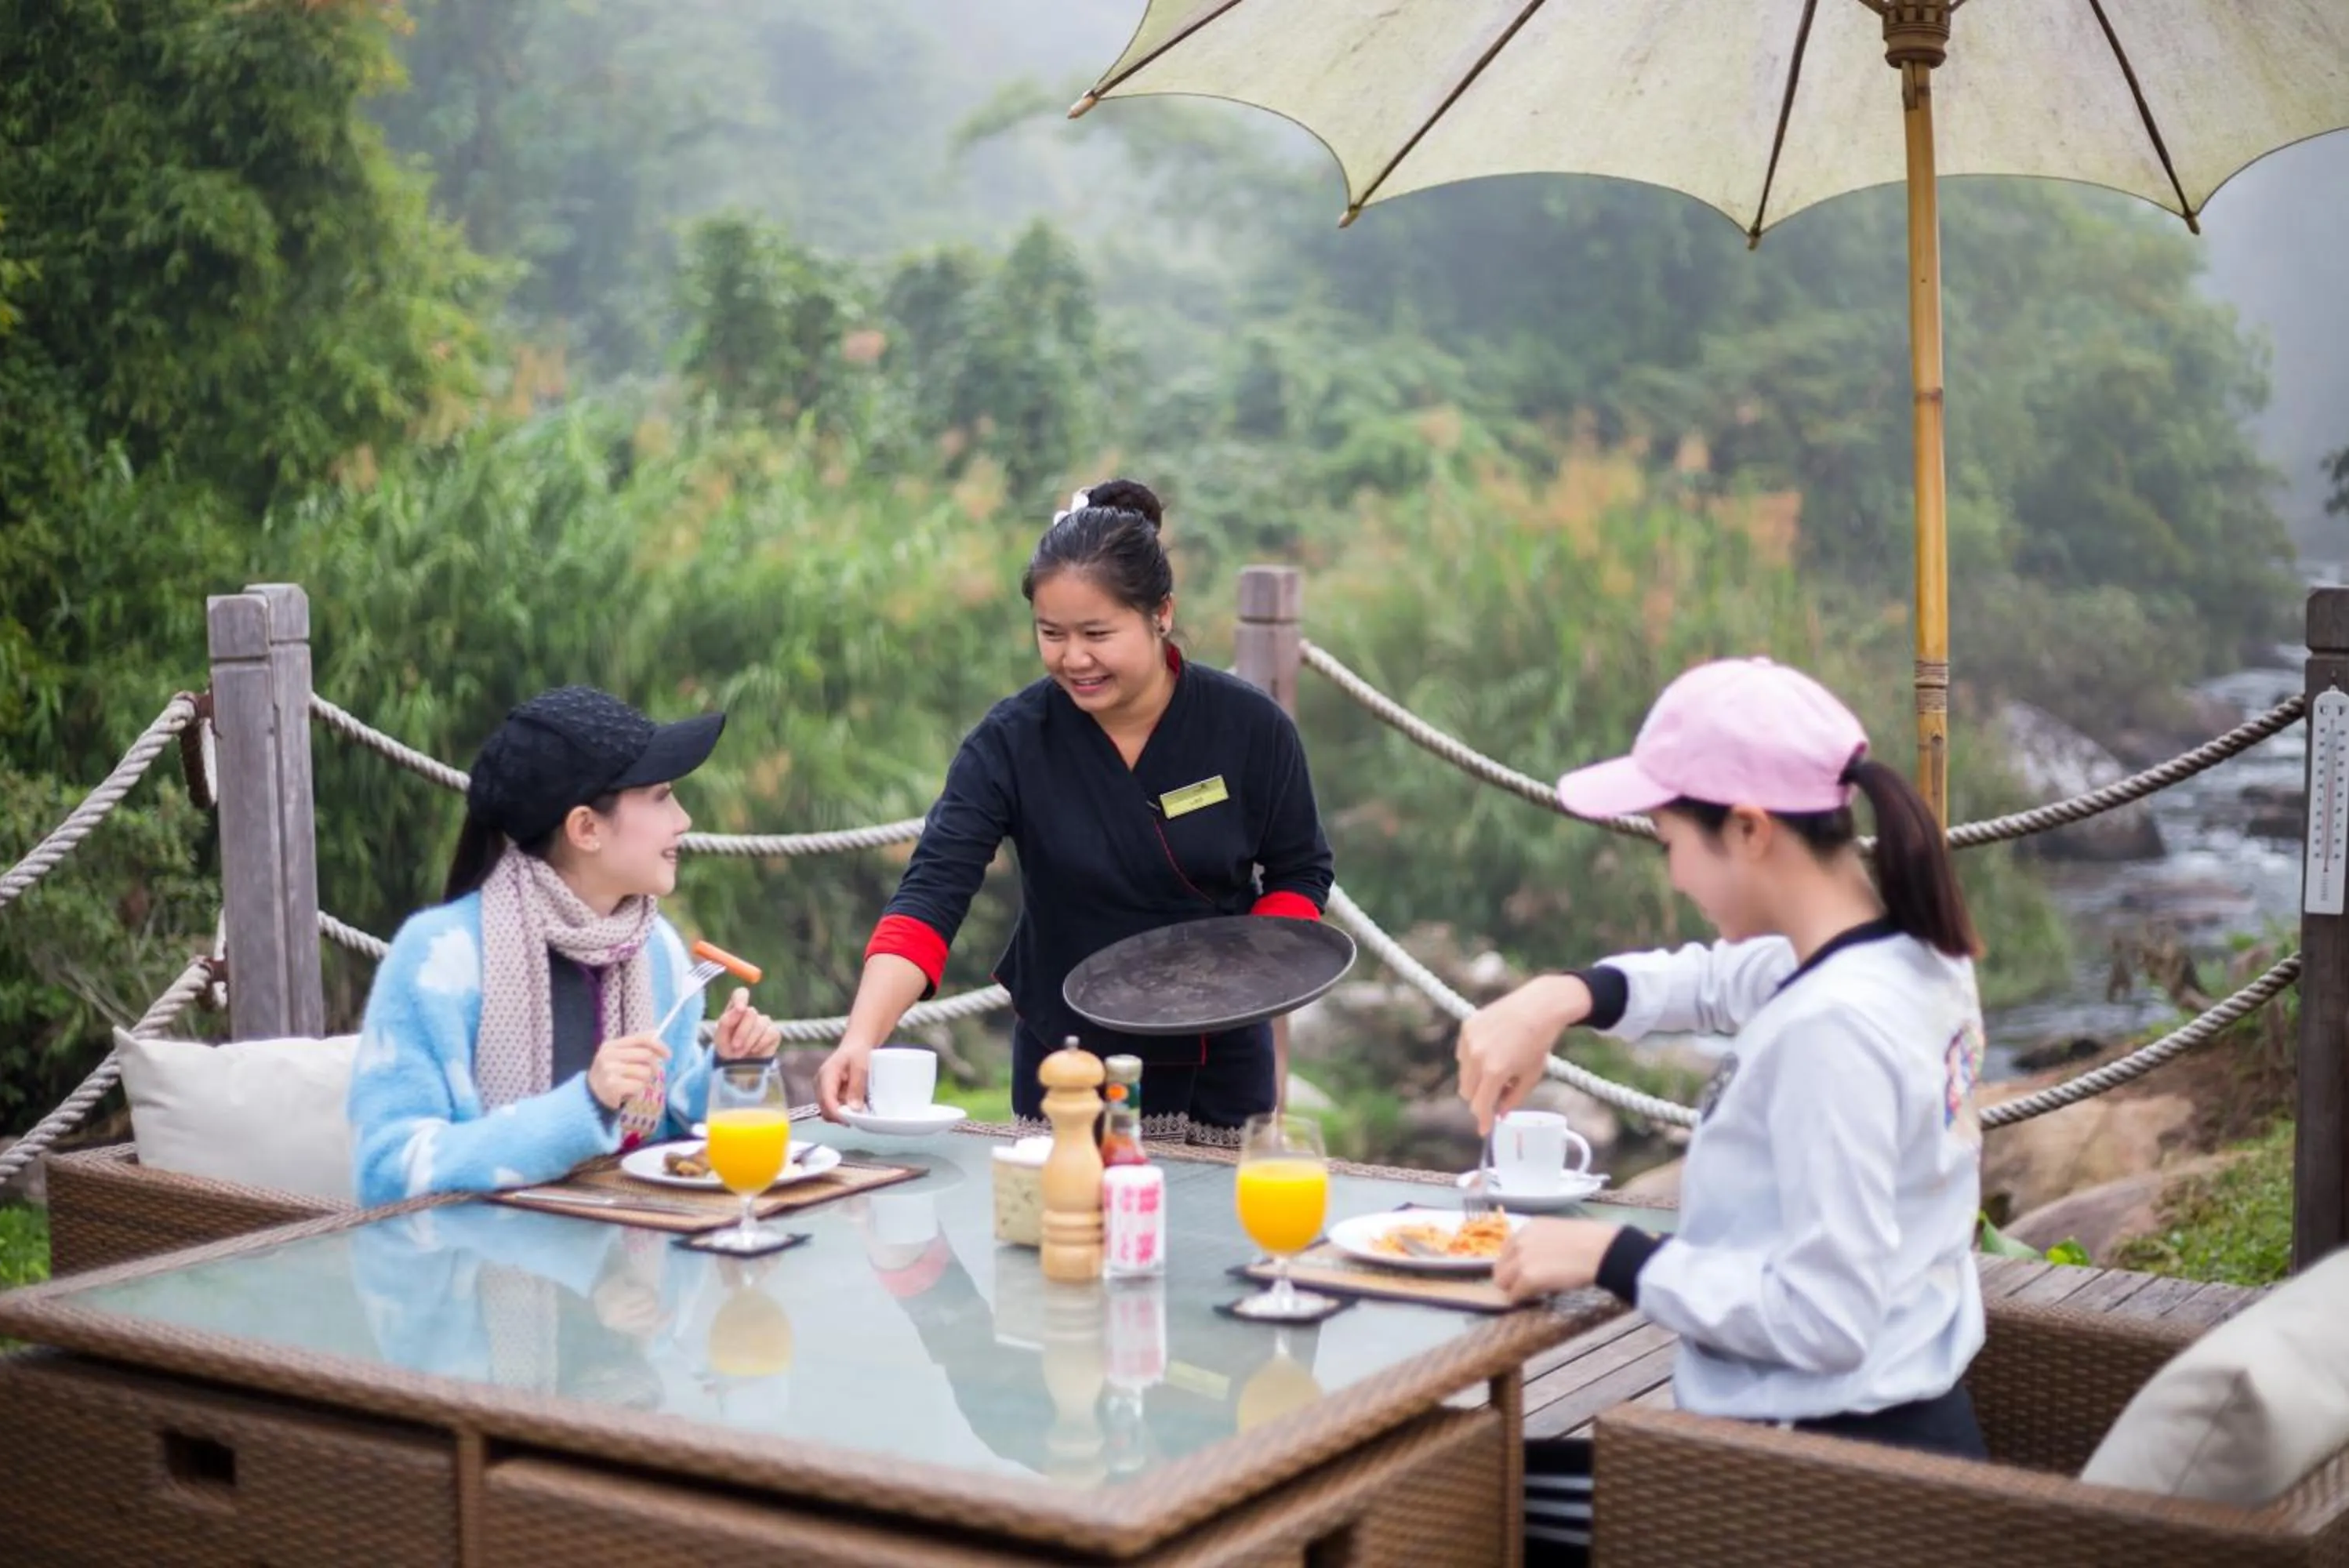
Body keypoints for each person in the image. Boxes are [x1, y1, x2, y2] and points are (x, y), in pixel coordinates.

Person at [1453, 658, 1990, 1565]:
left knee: (1448, 1504)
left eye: (1669, 840)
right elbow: (1712, 978)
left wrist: (1613, 1253)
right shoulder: (1905, 954)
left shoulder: (1836, 1028)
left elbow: (1826, 1315)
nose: (1672, 873)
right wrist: (1560, 996)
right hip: (1890, 1443)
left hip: (1818, 1488)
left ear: (1747, 828)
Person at [815, 480, 1334, 1144]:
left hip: (1220, 1058)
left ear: (1162, 613)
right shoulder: (1010, 741)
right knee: (1063, 1239)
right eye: (1051, 634)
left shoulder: (1249, 727)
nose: (1074, 658)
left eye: (1097, 633)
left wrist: (1255, 968)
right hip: (1065, 1064)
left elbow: (1300, 871)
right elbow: (931, 895)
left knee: (1217, 1243)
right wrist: (861, 1037)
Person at [350, 686, 782, 1207]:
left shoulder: (655, 948)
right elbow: (386, 1170)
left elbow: (667, 1132)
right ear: (585, 828)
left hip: (636, 1273)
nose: (683, 820)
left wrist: (729, 1071)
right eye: (662, 797)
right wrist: (584, 1105)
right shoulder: (437, 958)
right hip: (472, 1271)